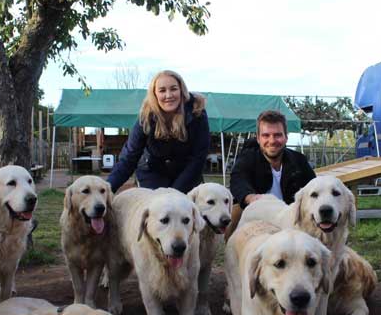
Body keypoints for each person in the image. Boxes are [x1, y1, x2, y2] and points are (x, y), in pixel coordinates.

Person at [107, 70, 210, 194]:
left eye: (173, 89)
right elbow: (129, 157)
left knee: (180, 206)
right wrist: (107, 188)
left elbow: (198, 157)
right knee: (158, 206)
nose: (168, 95)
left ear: (182, 91)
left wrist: (174, 193)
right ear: (154, 94)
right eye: (162, 90)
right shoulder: (145, 117)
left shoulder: (197, 113)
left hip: (186, 171)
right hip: (152, 170)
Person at [226, 109, 316, 237]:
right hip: (258, 220)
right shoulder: (247, 158)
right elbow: (238, 180)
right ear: (258, 138)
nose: (272, 141)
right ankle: (235, 253)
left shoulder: (299, 160)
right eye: (266, 135)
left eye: (278, 135)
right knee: (236, 212)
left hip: (291, 220)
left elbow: (314, 187)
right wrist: (251, 197)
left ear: (286, 137)